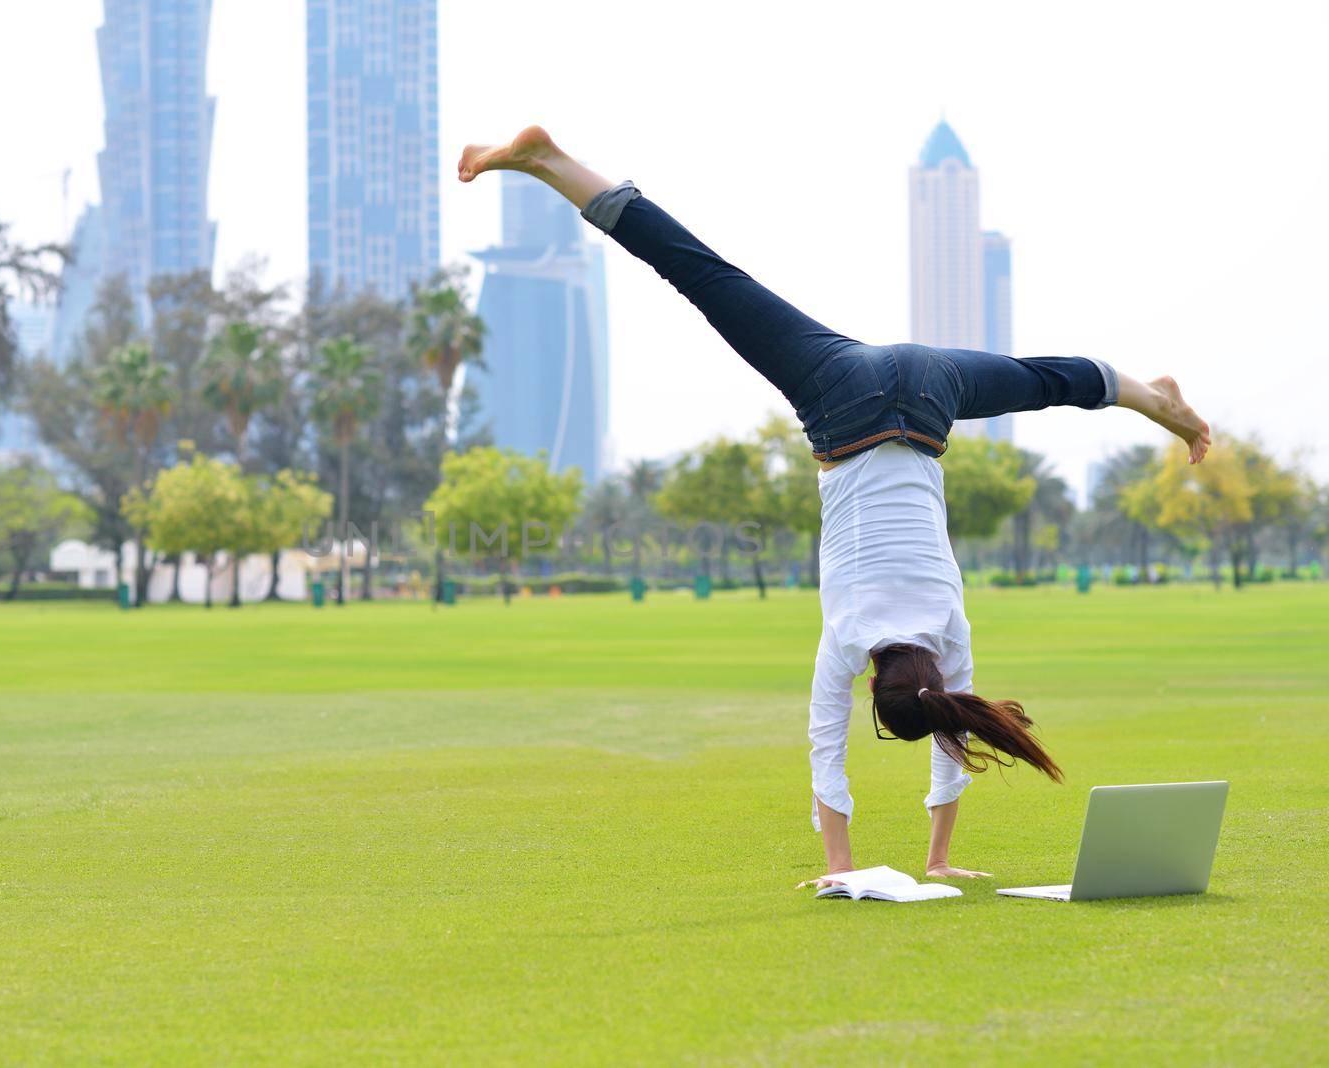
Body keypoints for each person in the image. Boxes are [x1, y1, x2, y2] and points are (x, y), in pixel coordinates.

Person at [458, 126, 1212, 884]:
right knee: (702, 276)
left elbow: (943, 750)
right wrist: (857, 866)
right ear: (876, 693)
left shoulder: (949, 629)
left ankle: (1154, 399)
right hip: (841, 397)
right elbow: (827, 753)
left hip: (925, 389)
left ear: (936, 690)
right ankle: (549, 163)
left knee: (1042, 379)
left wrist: (939, 859)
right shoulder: (848, 638)